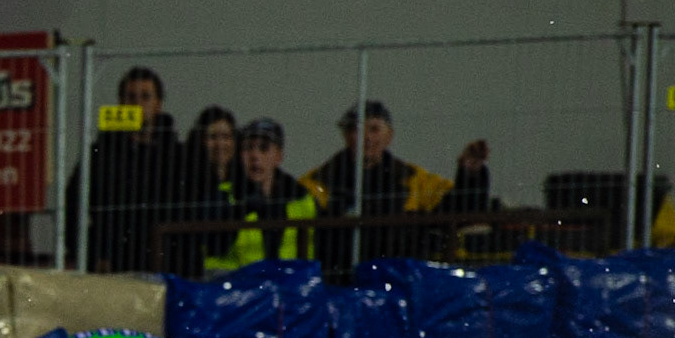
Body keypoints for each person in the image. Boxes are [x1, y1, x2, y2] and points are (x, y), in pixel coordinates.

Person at [300, 100, 490, 282]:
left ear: (389, 135)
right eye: (357, 129)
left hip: (401, 286)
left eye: (374, 129)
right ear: (346, 136)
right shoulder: (318, 182)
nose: (366, 137)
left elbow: (462, 209)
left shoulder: (413, 179)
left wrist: (470, 174)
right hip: (340, 287)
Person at [66, 66, 187, 273]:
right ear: (121, 103)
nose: (138, 104)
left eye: (145, 97)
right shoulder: (100, 153)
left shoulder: (179, 155)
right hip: (114, 265)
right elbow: (72, 206)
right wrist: (91, 256)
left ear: (158, 104)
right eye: (131, 97)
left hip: (167, 265)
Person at [203, 117, 321, 273]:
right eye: (248, 148)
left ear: (279, 156)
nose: (255, 156)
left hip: (288, 287)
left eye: (263, 148)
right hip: (236, 288)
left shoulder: (302, 198)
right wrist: (238, 213)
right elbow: (213, 249)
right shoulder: (224, 196)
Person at [179, 105, 240, 278]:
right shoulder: (191, 186)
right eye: (213, 137)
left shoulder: (245, 183)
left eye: (226, 137)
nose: (220, 144)